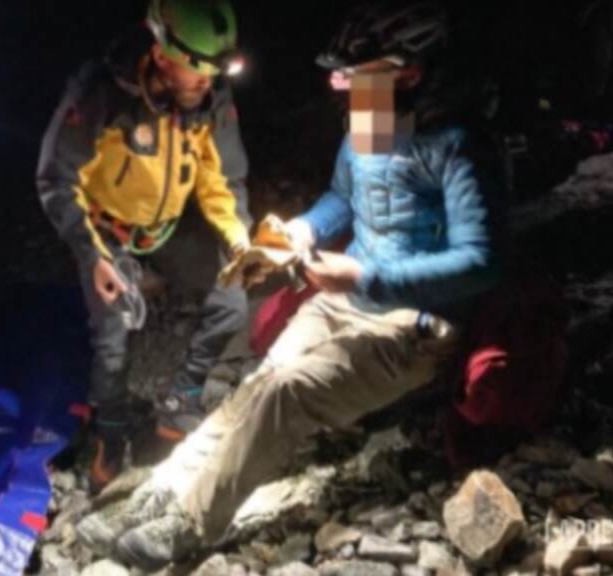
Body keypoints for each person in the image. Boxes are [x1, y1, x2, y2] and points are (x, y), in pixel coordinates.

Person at [84, 1, 506, 569]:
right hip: (342, 301)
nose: (344, 88)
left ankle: (192, 521)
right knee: (259, 383)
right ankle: (164, 490)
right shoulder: (374, 118)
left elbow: (481, 262)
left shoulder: (460, 145)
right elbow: (343, 197)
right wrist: (299, 232)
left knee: (287, 392)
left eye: (357, 76)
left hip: (412, 326)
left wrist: (363, 275)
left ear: (409, 72)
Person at [37, 0, 252, 490]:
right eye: (197, 72)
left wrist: (240, 242)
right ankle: (109, 430)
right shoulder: (102, 92)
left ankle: (180, 402)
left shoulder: (211, 97)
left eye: (214, 74)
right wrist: (91, 255)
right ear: (160, 54)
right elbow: (56, 179)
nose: (207, 84)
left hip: (166, 229)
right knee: (112, 335)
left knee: (234, 299)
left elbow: (223, 180)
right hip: (106, 231)